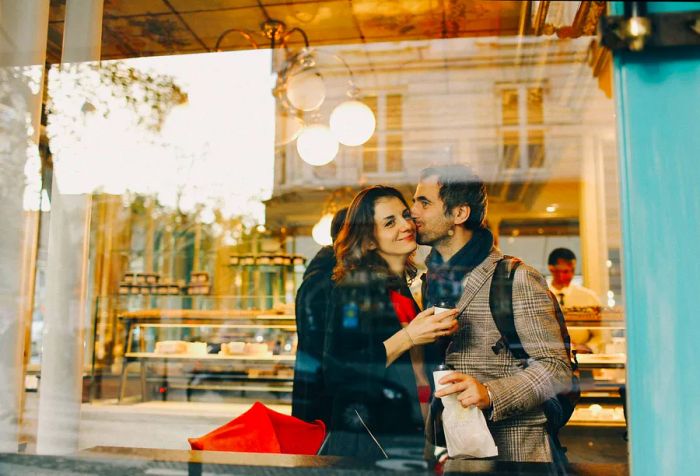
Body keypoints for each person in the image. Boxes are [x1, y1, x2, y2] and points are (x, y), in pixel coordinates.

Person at [411, 165, 572, 463]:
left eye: (424, 202)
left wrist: (490, 392)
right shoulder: (429, 281)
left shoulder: (514, 277)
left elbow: (556, 368)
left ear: (459, 214)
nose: (413, 212)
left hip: (514, 452)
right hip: (452, 450)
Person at [320, 186, 458, 459]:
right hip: (370, 443)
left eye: (405, 215)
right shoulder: (353, 288)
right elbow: (338, 373)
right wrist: (409, 337)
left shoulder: (400, 289)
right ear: (370, 240)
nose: (406, 225)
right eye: (389, 222)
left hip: (411, 436)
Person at [292, 207, 347, 423]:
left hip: (318, 400)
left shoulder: (321, 277)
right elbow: (328, 355)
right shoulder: (326, 282)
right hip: (324, 408)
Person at [547, 248, 604, 354]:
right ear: (551, 269)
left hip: (584, 363)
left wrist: (588, 348)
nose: (570, 275)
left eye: (572, 270)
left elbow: (600, 336)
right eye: (565, 271)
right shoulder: (540, 297)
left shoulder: (589, 297)